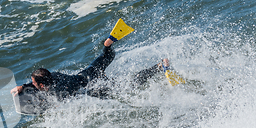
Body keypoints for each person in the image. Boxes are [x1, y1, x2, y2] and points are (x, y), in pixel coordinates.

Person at [10, 35, 169, 101]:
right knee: (106, 58)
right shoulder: (54, 75)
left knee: (129, 84)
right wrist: (24, 86)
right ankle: (107, 45)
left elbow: (60, 99)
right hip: (88, 73)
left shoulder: (56, 91)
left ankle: (159, 67)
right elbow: (40, 84)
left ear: (42, 85)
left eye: (34, 83)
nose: (33, 84)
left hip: (94, 85)